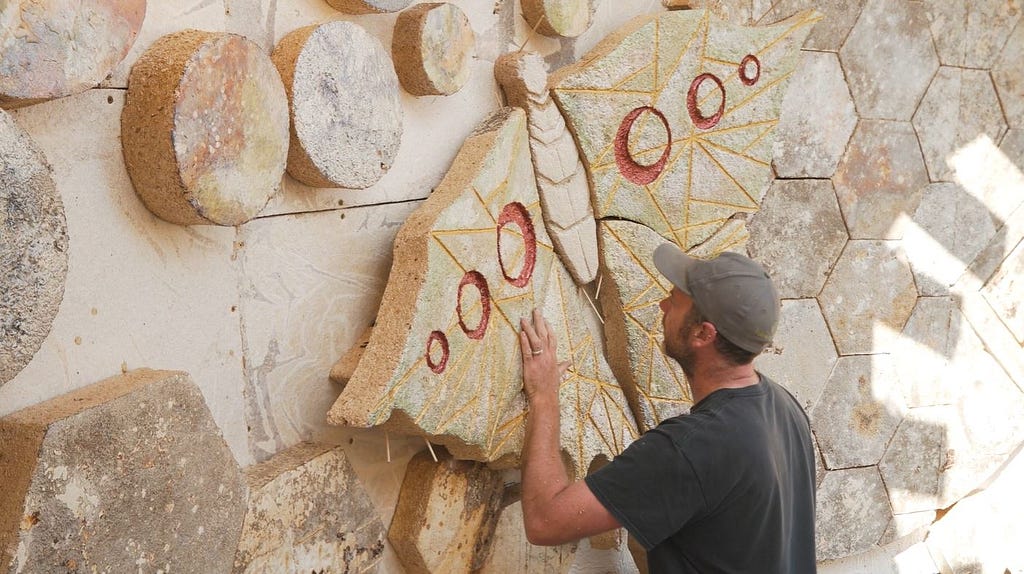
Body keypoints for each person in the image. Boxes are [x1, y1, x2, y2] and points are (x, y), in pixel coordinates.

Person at [518, 243, 816, 573]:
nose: (662, 306)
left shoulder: (691, 450)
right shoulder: (785, 408)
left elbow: (545, 520)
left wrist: (544, 396)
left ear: (703, 333)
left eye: (674, 301)